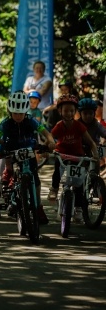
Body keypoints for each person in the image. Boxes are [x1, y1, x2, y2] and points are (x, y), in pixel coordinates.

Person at [0, 91, 55, 222]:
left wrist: (51, 141)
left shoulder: (31, 121)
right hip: (10, 150)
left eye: (21, 113)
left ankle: (38, 207)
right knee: (3, 175)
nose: (18, 116)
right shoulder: (5, 123)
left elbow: (45, 132)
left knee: (35, 178)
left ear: (26, 111)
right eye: (15, 113)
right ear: (10, 111)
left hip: (28, 150)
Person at [48, 94, 99, 222]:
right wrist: (48, 146)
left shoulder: (79, 126)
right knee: (57, 171)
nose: (69, 113)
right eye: (65, 110)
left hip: (78, 157)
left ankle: (79, 209)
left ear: (75, 112)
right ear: (60, 111)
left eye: (72, 111)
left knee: (79, 184)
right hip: (62, 156)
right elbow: (50, 137)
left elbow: (91, 142)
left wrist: (95, 154)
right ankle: (54, 188)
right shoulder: (59, 126)